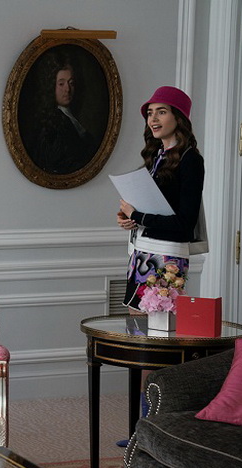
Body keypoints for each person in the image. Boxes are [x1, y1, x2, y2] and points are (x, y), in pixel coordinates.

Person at [115, 86, 204, 446]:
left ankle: (154, 428)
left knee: (157, 345)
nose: (153, 118)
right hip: (141, 253)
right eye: (150, 112)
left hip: (166, 259)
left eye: (161, 111)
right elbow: (151, 212)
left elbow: (184, 223)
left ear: (179, 118)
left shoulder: (191, 160)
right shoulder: (155, 157)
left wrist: (140, 215)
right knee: (141, 342)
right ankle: (142, 428)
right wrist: (130, 220)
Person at [27, 53, 99, 174]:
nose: (67, 89)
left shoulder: (70, 117)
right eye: (61, 84)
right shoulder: (52, 124)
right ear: (51, 86)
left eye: (71, 83)